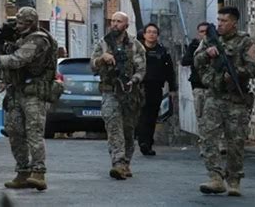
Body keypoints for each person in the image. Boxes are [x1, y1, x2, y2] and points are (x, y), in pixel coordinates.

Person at [0, 7, 58, 191]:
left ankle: (39, 172)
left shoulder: (39, 39)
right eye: (16, 23)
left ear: (31, 23)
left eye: (21, 23)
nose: (18, 26)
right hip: (17, 92)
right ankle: (22, 172)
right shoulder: (19, 39)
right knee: (15, 131)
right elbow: (8, 64)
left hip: (34, 93)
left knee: (34, 132)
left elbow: (16, 60)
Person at [194, 7, 255, 196]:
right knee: (208, 138)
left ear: (234, 23)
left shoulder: (245, 42)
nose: (220, 24)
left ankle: (234, 180)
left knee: (236, 142)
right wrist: (208, 54)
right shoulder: (210, 39)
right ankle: (215, 177)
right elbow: (196, 61)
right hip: (214, 97)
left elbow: (254, 68)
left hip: (236, 100)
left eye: (224, 21)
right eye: (219, 20)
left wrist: (235, 73)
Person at [90, 11, 146, 180]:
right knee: (114, 128)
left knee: (128, 131)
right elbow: (92, 65)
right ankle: (118, 163)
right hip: (110, 92)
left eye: (119, 21)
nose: (114, 24)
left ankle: (126, 162)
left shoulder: (136, 45)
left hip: (130, 94)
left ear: (126, 25)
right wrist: (102, 58)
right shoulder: (103, 43)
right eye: (113, 21)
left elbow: (142, 69)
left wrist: (133, 80)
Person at [136, 23, 177, 156]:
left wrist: (172, 89)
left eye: (154, 32)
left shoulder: (162, 51)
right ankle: (142, 141)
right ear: (144, 34)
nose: (151, 34)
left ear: (158, 35)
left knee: (152, 116)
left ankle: (147, 143)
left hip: (155, 87)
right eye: (149, 32)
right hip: (139, 86)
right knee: (141, 115)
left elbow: (170, 71)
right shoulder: (138, 50)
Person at [181, 22, 209, 131]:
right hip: (198, 85)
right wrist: (202, 56)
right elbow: (185, 61)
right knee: (201, 115)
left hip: (214, 86)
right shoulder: (194, 46)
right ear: (198, 34)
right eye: (202, 31)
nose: (204, 34)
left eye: (206, 31)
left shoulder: (218, 44)